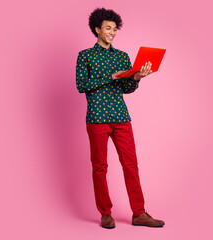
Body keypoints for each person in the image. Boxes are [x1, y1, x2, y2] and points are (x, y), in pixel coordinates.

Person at [75, 7, 165, 229]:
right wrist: (110, 76)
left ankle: (139, 213)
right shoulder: (85, 56)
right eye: (108, 28)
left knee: (131, 164)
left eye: (115, 29)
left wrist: (137, 77)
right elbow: (81, 85)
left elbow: (127, 88)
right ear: (97, 29)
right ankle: (105, 213)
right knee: (100, 166)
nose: (112, 32)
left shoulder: (122, 56)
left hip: (120, 115)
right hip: (97, 117)